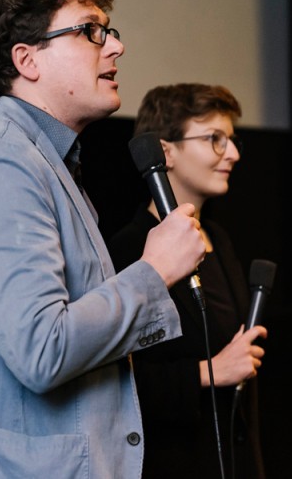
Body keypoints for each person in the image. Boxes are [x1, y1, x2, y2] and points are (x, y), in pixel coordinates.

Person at [0, 0, 207, 479]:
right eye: (91, 31)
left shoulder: (44, 163)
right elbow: (42, 350)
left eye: (109, 31)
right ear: (27, 60)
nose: (115, 46)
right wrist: (153, 271)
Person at [108, 83, 268, 479]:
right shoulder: (129, 249)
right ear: (166, 151)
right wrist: (207, 371)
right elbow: (115, 382)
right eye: (214, 139)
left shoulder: (219, 239)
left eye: (231, 140)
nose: (231, 153)